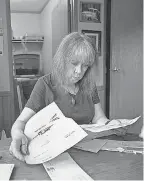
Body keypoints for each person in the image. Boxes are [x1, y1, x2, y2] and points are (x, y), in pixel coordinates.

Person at [9, 32, 127, 161]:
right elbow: (21, 121)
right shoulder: (45, 84)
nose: (79, 71)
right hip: (54, 154)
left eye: (85, 65)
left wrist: (111, 125)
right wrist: (17, 134)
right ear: (62, 60)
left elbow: (98, 118)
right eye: (74, 63)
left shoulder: (89, 85)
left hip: (86, 150)